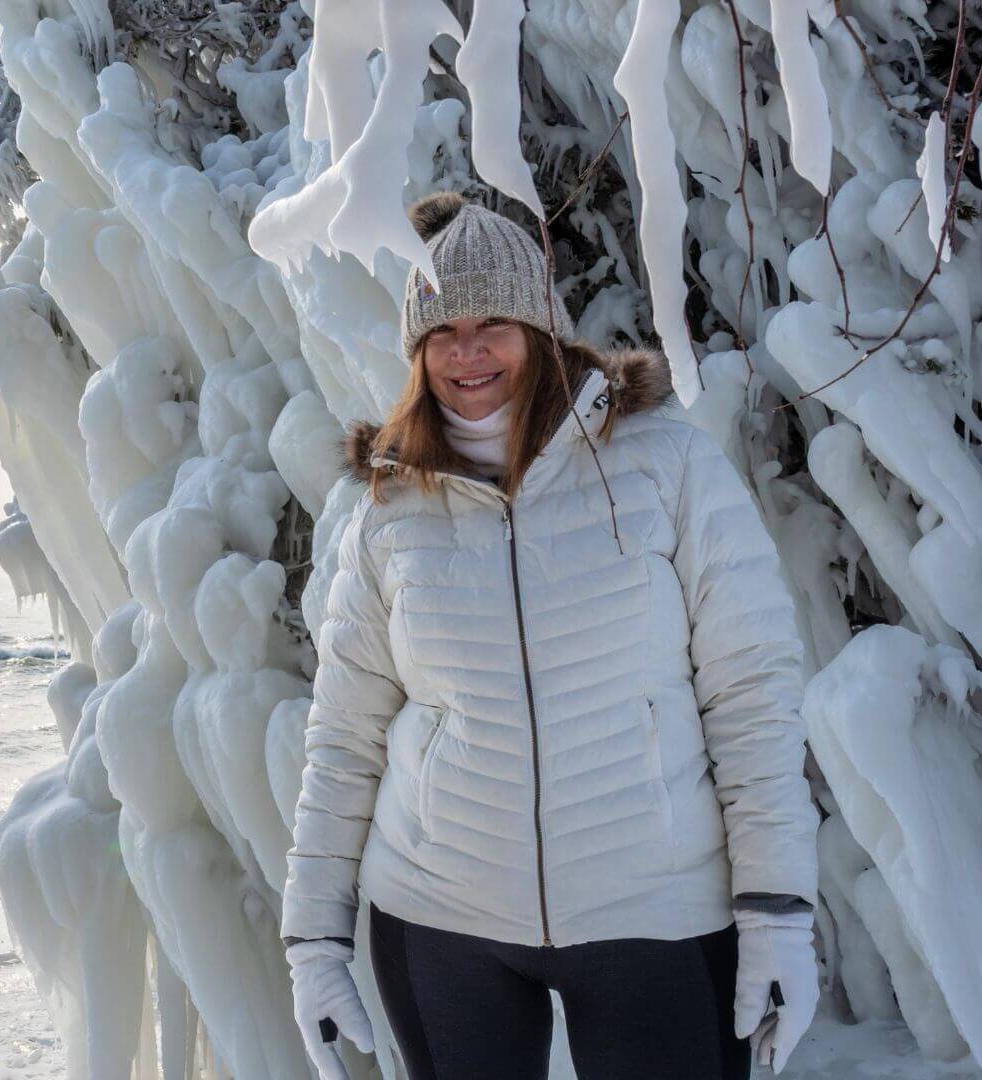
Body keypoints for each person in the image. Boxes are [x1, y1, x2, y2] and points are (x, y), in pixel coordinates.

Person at [278, 190, 822, 1080]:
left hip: (655, 911)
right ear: (418, 349)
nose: (469, 349)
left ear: (542, 328)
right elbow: (345, 734)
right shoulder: (390, 507)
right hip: (440, 917)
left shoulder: (664, 464)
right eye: (443, 328)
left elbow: (751, 691)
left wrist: (775, 908)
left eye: (494, 319)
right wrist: (313, 940)